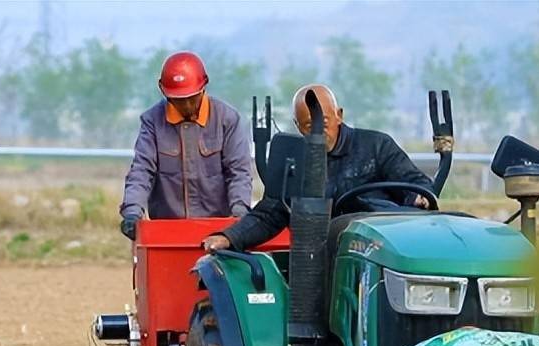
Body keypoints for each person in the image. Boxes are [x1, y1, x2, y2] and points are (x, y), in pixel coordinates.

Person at [201, 84, 434, 252]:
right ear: (298, 127)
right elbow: (270, 213)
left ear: (339, 115)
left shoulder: (376, 146)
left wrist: (418, 196)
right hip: (319, 258)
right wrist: (229, 237)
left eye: (323, 124)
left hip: (375, 251)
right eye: (310, 126)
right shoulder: (293, 162)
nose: (319, 133)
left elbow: (415, 183)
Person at [118, 51, 253, 240]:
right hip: (167, 230)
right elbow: (142, 170)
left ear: (204, 88)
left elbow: (239, 172)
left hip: (217, 232)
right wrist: (132, 211)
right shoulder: (152, 121)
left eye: (192, 98)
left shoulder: (228, 120)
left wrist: (239, 212)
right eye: (180, 100)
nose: (188, 105)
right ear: (164, 92)